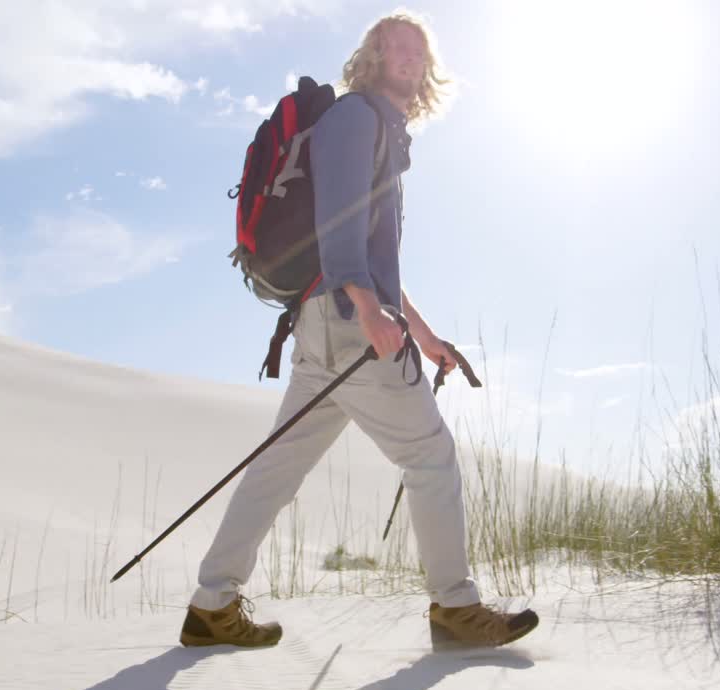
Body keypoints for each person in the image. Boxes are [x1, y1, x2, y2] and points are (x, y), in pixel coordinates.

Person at [179, 11, 538, 650]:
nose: (407, 55)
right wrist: (367, 309)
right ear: (372, 57)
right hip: (347, 323)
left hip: (329, 321)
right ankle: (456, 607)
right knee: (430, 455)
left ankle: (212, 604)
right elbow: (337, 222)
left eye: (417, 48)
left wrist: (423, 335)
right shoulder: (356, 119)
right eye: (393, 44)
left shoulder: (384, 134)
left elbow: (378, 257)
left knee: (277, 469)